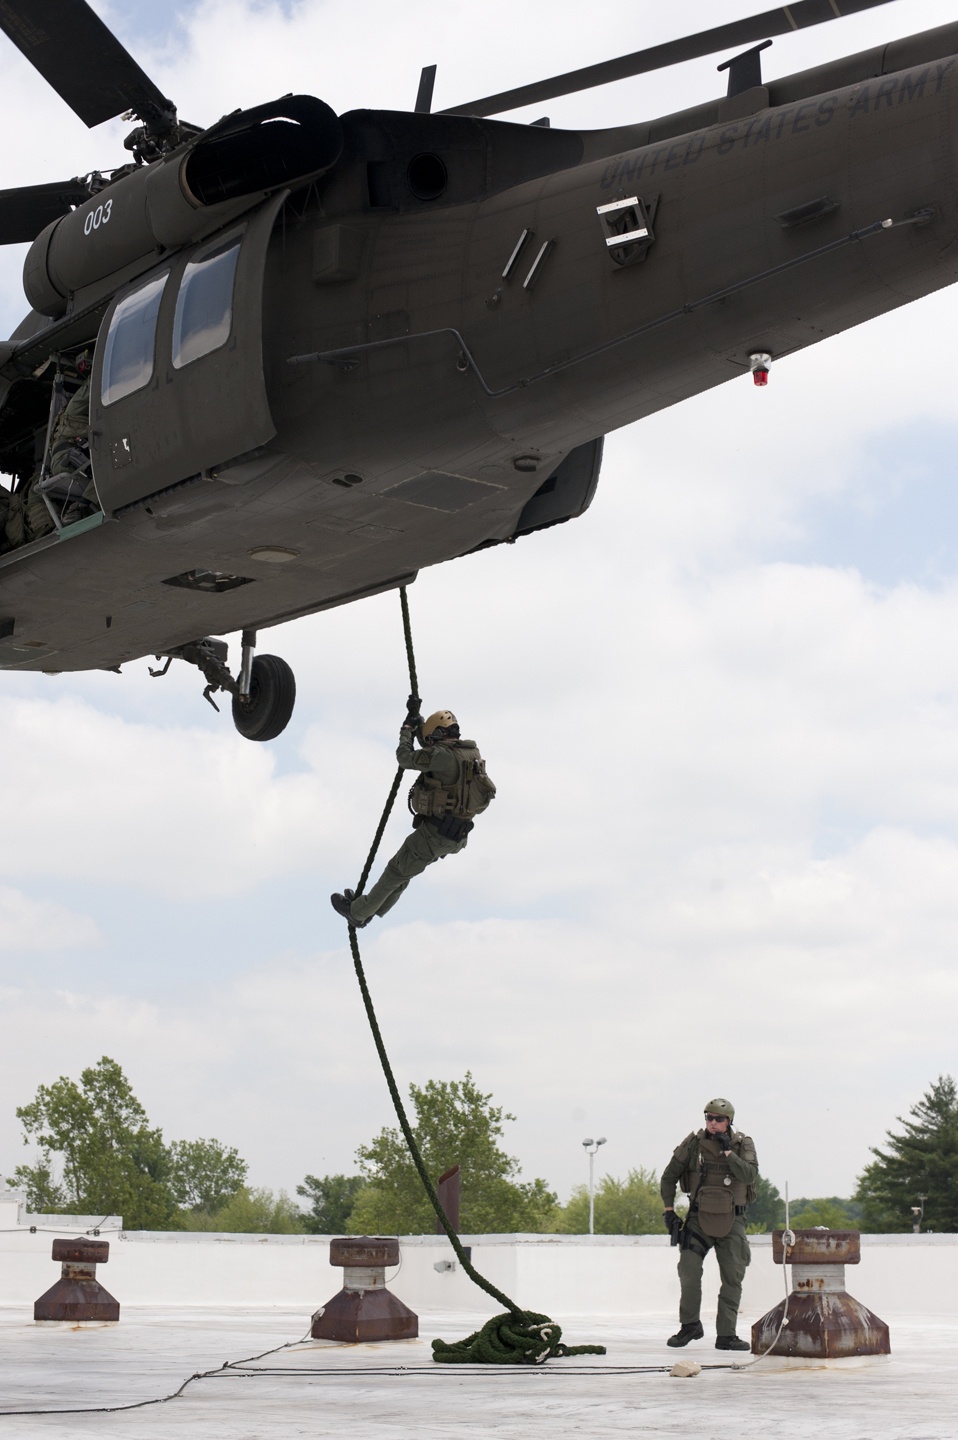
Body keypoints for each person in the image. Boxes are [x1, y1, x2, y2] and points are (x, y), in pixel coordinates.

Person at [330, 698, 494, 928]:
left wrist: (406, 731)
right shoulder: (469, 752)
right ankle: (371, 908)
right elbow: (434, 753)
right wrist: (419, 722)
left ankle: (358, 913)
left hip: (435, 833)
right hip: (455, 835)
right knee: (404, 873)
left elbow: (406, 758)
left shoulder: (442, 755)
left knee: (396, 871)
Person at [660, 1097, 758, 1352]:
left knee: (732, 1278)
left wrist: (728, 1152)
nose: (713, 1123)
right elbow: (668, 1176)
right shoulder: (694, 1143)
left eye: (719, 1119)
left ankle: (726, 1335)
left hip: (732, 1221)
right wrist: (669, 1211)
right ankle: (690, 1325)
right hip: (698, 1219)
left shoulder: (742, 1144)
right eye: (709, 1118)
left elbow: (749, 1175)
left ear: (729, 1122)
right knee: (689, 1273)